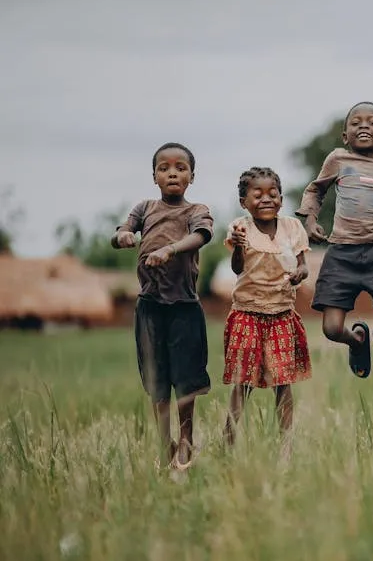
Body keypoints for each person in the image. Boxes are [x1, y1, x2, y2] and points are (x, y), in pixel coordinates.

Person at [112, 142, 213, 470]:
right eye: (164, 168)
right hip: (150, 308)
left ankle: (185, 444)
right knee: (157, 379)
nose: (172, 173)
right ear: (154, 176)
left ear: (192, 177)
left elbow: (200, 236)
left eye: (180, 168)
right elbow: (121, 231)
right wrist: (125, 236)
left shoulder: (196, 210)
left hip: (184, 306)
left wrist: (169, 250)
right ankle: (163, 443)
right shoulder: (144, 208)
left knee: (185, 378)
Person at [296, 102, 373, 381]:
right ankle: (357, 340)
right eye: (356, 123)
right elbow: (315, 190)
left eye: (372, 123)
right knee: (332, 329)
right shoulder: (338, 160)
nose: (363, 126)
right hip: (341, 254)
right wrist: (310, 219)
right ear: (344, 136)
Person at [222, 167, 312, 449]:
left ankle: (286, 445)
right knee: (243, 382)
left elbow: (303, 266)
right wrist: (238, 247)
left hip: (281, 314)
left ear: (282, 200)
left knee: (282, 382)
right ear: (244, 203)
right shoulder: (240, 228)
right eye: (257, 194)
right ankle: (229, 441)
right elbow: (238, 268)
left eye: (273, 194)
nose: (266, 199)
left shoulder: (292, 228)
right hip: (247, 313)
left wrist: (300, 273)